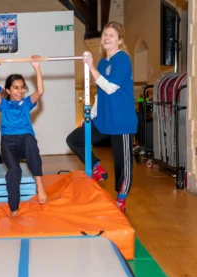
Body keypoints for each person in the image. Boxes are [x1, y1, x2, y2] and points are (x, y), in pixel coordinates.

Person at [66, 21, 138, 213]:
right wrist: (91, 115)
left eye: (111, 35)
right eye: (105, 34)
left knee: (122, 164)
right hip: (103, 119)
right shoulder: (102, 62)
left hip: (122, 122)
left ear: (120, 40)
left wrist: (90, 67)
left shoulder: (123, 59)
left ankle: (121, 199)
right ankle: (97, 166)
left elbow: (110, 87)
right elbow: (100, 93)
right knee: (74, 139)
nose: (106, 38)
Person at [0, 55, 47, 216]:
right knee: (14, 172)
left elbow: (40, 91)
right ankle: (14, 208)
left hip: (25, 140)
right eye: (15, 87)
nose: (20, 91)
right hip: (8, 143)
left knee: (30, 141)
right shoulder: (4, 104)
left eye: (22, 87)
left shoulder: (27, 102)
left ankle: (39, 184)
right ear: (8, 90)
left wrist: (36, 67)